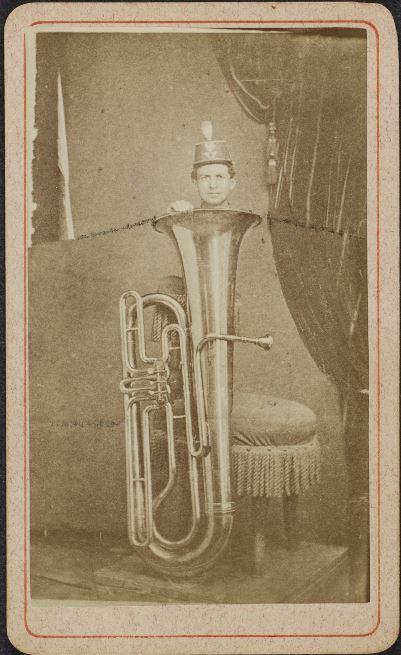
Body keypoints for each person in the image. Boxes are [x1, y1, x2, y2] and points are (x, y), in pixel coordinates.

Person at [167, 121, 236, 213]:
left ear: (231, 183)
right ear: (195, 184)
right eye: (205, 178)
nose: (213, 185)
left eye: (219, 177)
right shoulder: (185, 220)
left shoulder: (248, 221)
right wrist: (174, 222)